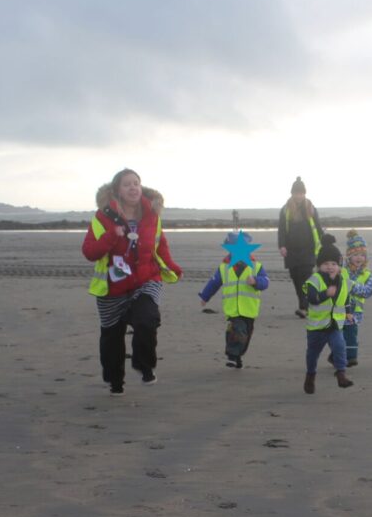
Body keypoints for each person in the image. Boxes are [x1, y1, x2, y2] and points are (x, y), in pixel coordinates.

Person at [81, 168, 182, 394]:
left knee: (148, 319)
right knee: (111, 337)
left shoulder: (152, 215)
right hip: (112, 287)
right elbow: (89, 252)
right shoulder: (103, 217)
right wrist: (111, 235)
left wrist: (172, 266)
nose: (133, 188)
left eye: (136, 183)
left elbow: (160, 245)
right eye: (127, 184)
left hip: (145, 279)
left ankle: (144, 366)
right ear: (117, 190)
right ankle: (115, 381)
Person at [198, 231, 269, 368]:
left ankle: (238, 357)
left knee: (245, 336)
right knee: (236, 331)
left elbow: (266, 282)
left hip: (249, 309)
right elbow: (214, 282)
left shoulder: (256, 266)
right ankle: (231, 356)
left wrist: (256, 281)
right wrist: (205, 296)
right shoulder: (224, 267)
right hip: (232, 309)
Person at [302, 234, 353, 394]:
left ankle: (341, 374)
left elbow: (346, 297)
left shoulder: (342, 279)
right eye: (325, 264)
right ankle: (310, 376)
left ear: (338, 265)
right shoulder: (314, 280)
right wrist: (325, 294)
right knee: (312, 354)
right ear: (319, 266)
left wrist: (348, 312)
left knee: (339, 346)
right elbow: (312, 299)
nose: (330, 267)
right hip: (316, 327)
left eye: (333, 264)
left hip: (335, 324)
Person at [278, 176, 324, 318]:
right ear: (292, 193)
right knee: (296, 279)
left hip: (308, 249)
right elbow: (281, 230)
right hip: (291, 251)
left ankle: (304, 307)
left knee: (306, 278)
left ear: (304, 193)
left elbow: (318, 227)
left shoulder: (310, 208)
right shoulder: (285, 209)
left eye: (301, 193)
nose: (298, 196)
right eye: (296, 193)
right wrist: (282, 246)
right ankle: (304, 305)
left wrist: (325, 243)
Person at [342, 229, 372, 367]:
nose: (359, 258)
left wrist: (353, 286)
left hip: (356, 312)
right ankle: (338, 356)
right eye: (355, 254)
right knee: (339, 335)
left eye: (362, 255)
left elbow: (369, 291)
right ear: (349, 256)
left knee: (351, 333)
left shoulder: (367, 274)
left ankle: (350, 357)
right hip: (340, 309)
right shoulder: (342, 271)